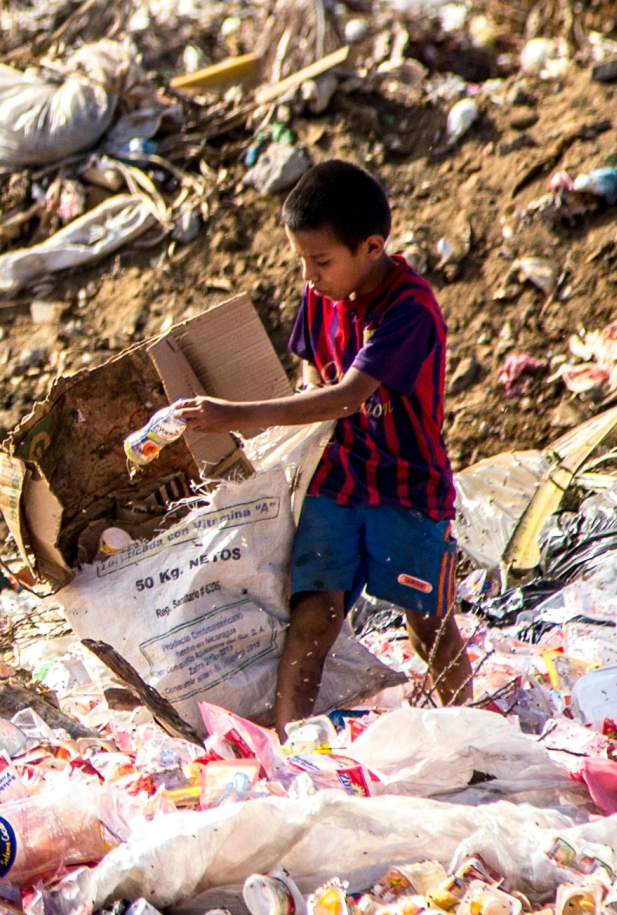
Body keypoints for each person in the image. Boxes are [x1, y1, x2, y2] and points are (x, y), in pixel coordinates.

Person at [158, 156, 468, 722]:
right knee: (312, 617)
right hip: (336, 478)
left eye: (321, 261)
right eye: (302, 260)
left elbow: (345, 396)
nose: (309, 276)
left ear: (372, 248)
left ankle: (471, 733)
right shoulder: (319, 295)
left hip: (406, 486)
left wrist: (234, 414)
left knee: (428, 624)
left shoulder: (409, 308)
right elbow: (310, 372)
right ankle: (290, 745)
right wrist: (300, 408)